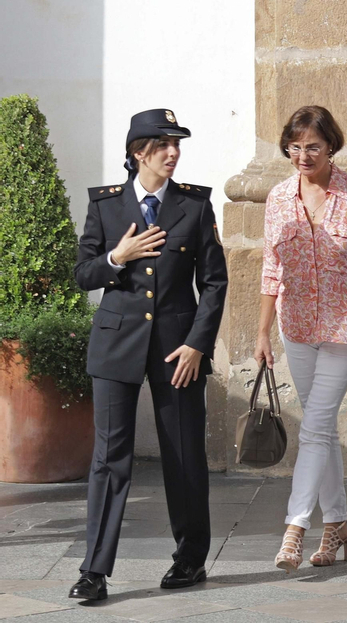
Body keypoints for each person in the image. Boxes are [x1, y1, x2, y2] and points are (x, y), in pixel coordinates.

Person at [70, 109, 228, 602]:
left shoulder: (194, 206)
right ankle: (94, 571)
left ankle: (190, 558)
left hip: (178, 349)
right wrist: (118, 257)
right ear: (139, 152)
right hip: (116, 345)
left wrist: (198, 343)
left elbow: (215, 283)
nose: (173, 153)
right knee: (109, 458)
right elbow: (83, 274)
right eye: (162, 145)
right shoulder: (106, 205)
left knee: (183, 454)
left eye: (177, 144)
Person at [255, 106, 347, 571]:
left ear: (331, 146)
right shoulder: (277, 197)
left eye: (313, 146)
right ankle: (338, 524)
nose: (303, 156)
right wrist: (262, 331)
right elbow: (272, 266)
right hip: (297, 326)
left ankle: (294, 529)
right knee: (320, 428)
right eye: (295, 147)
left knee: (314, 426)